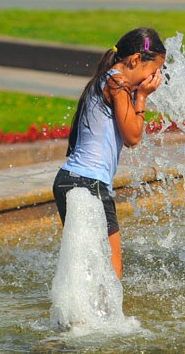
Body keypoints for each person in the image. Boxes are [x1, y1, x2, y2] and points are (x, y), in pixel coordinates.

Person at [52, 27, 166, 280]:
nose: (154, 78)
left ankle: (78, 317)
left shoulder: (109, 77)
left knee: (87, 266)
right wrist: (143, 98)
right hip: (88, 182)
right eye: (153, 70)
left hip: (70, 180)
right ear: (135, 60)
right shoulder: (118, 82)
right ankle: (103, 318)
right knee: (112, 270)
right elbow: (133, 136)